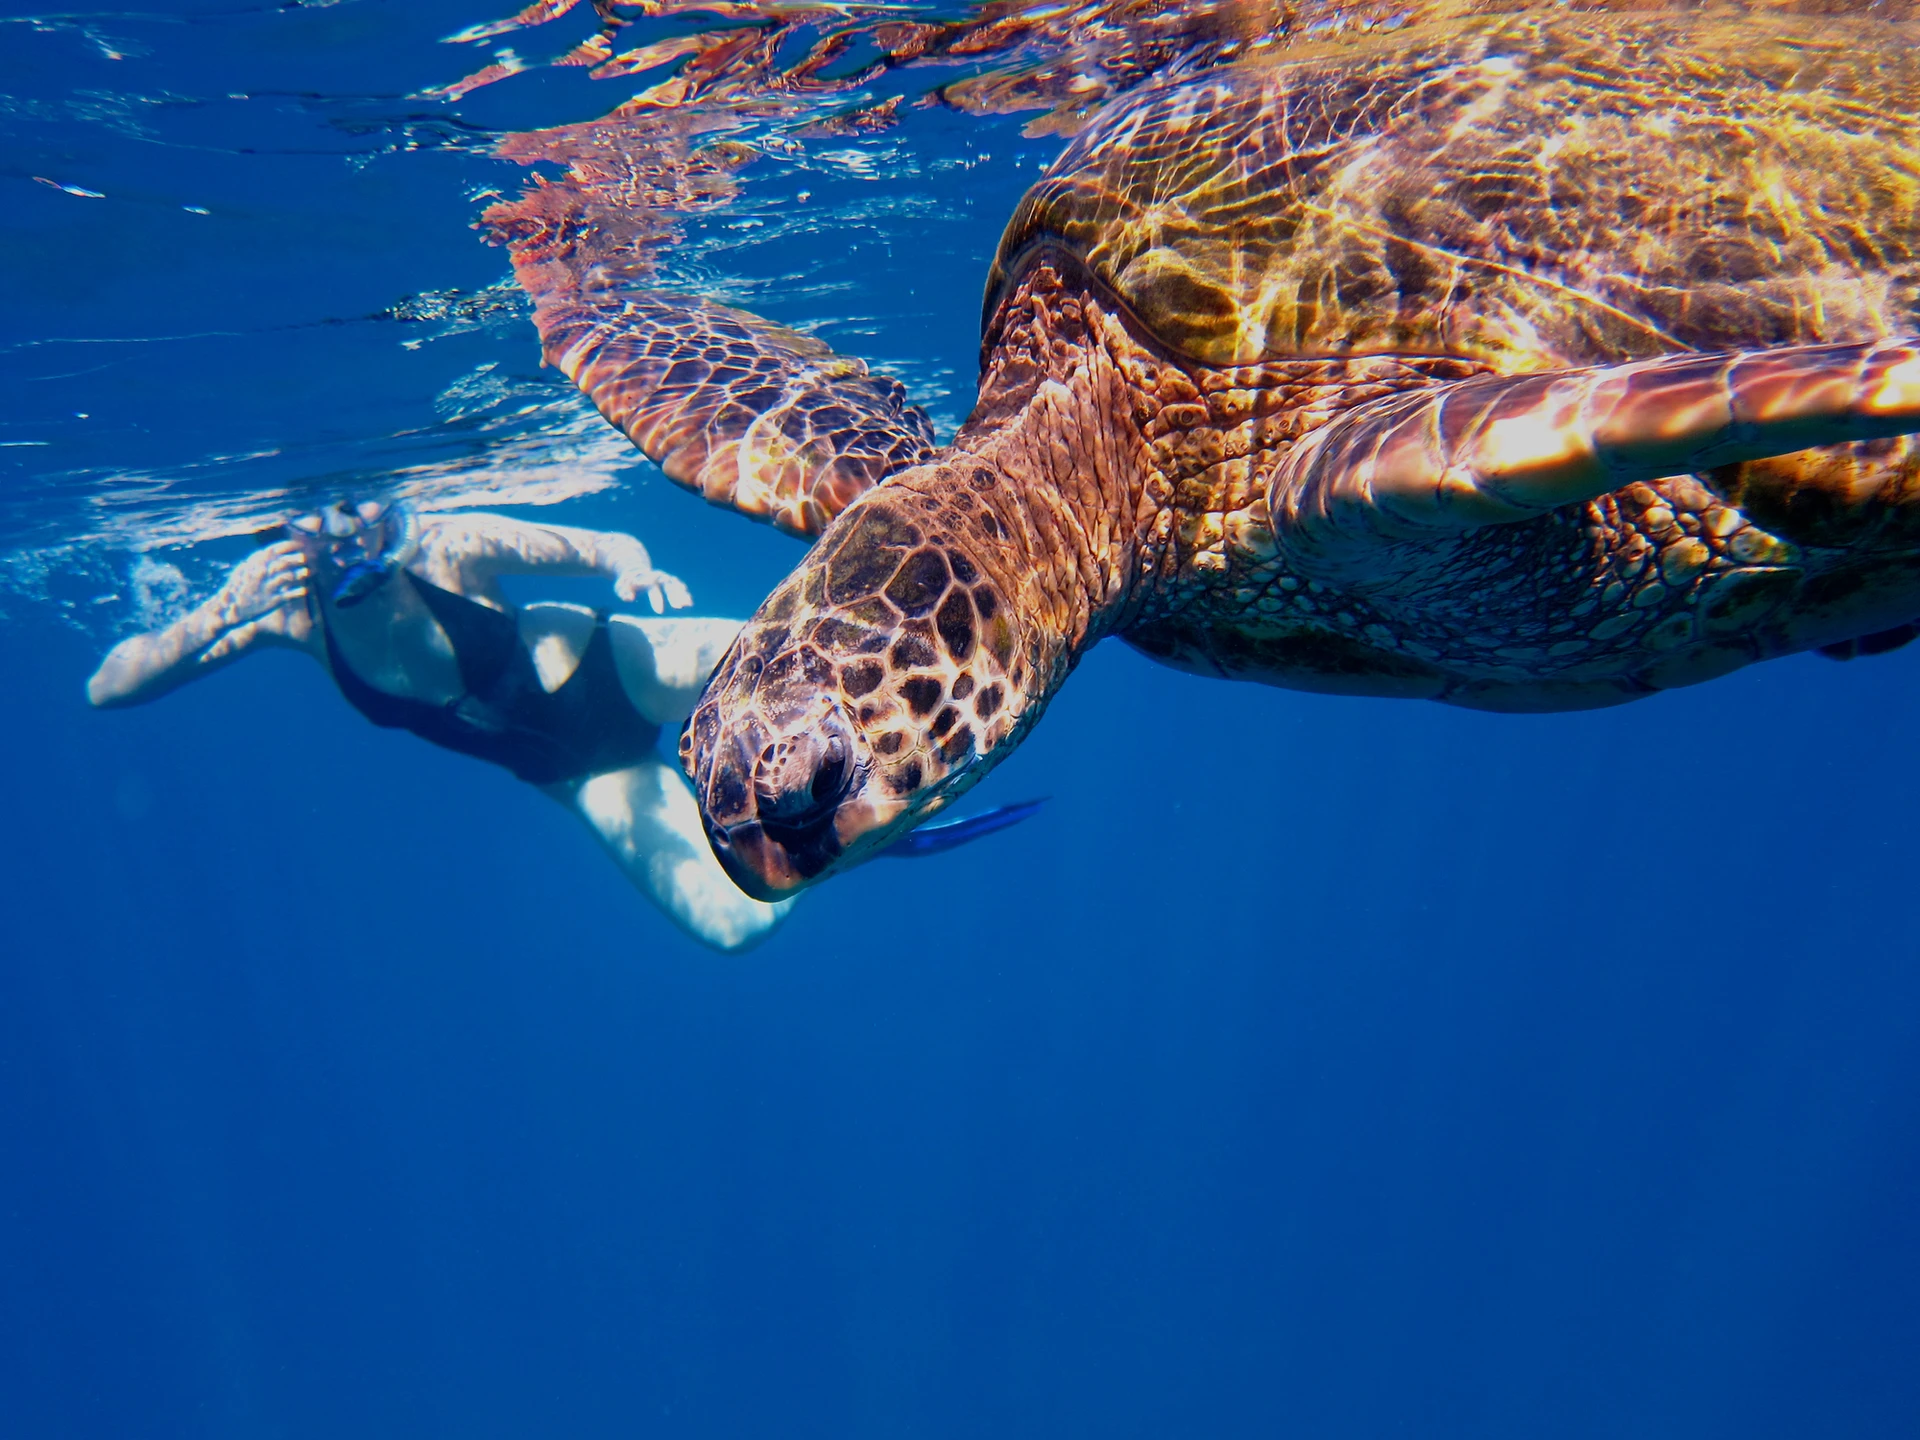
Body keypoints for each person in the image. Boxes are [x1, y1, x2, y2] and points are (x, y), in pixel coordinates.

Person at [88, 499, 793, 950]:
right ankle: (833, 830)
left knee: (795, 665)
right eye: (314, 519)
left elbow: (605, 546)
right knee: (739, 926)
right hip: (583, 770)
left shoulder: (445, 545)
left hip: (627, 669)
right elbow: (108, 688)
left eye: (355, 506)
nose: (343, 533)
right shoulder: (288, 617)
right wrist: (215, 615)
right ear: (283, 529)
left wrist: (633, 571)